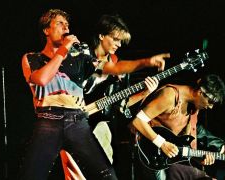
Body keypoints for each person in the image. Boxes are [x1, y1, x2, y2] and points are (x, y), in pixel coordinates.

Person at [20, 9, 169, 180]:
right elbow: (42, 79)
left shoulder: (80, 57)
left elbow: (113, 68)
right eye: (60, 24)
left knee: (107, 175)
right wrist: (64, 49)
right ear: (46, 30)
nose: (66, 29)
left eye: (68, 25)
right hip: (48, 120)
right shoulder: (32, 58)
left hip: (77, 121)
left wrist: (146, 62)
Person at [59, 14, 161, 179]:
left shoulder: (119, 68)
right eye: (115, 39)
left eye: (121, 41)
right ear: (101, 35)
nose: (119, 45)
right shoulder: (80, 55)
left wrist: (145, 93)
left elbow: (122, 104)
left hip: (100, 127)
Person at [130, 74, 225, 180]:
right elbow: (137, 121)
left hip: (166, 158)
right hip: (149, 151)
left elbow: (180, 144)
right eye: (211, 102)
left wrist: (197, 158)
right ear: (200, 92)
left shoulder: (194, 109)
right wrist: (162, 144)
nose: (210, 106)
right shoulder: (170, 95)